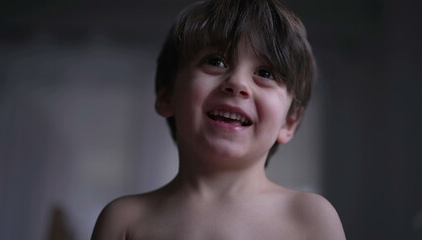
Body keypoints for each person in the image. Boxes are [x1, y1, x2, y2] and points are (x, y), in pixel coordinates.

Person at [91, 0, 346, 239]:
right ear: (167, 96)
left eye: (265, 73)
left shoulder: (309, 216)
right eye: (216, 61)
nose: (237, 83)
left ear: (289, 121)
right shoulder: (125, 220)